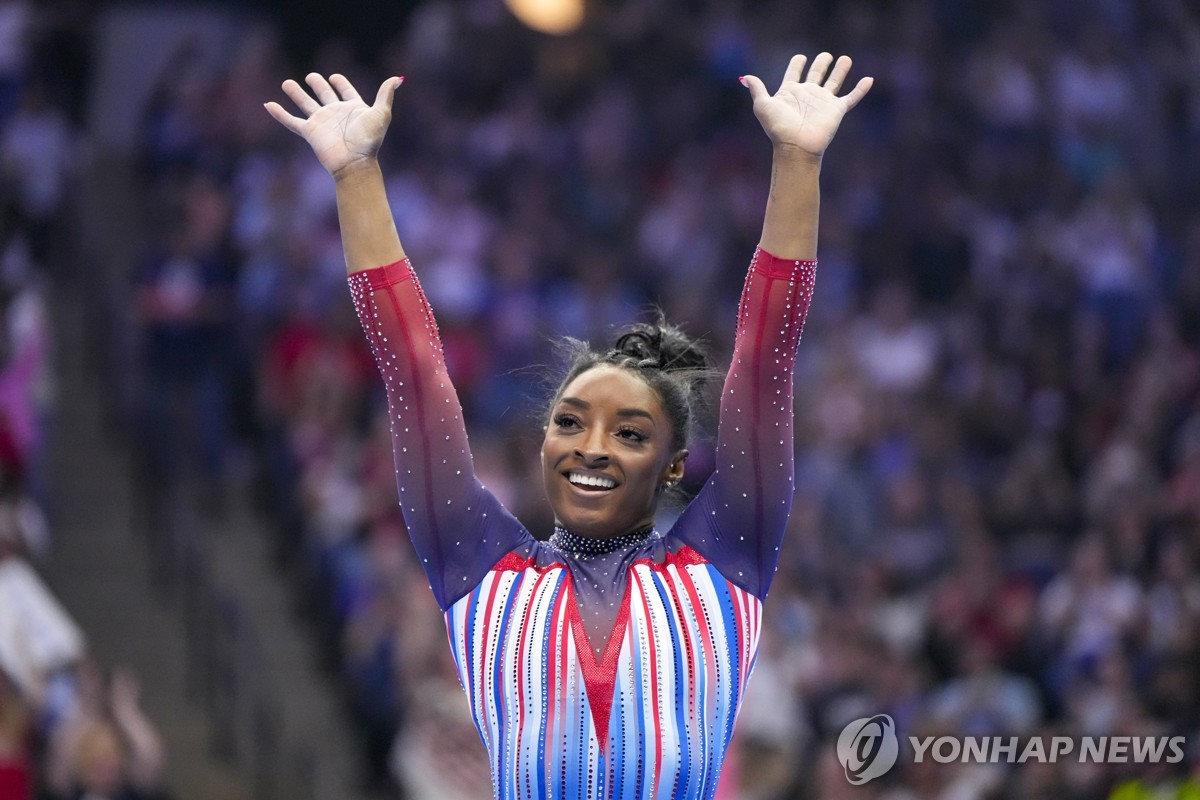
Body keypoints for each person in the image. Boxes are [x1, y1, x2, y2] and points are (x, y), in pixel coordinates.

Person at [267, 51, 871, 799]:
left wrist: (797, 162)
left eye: (630, 433)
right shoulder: (481, 571)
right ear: (544, 445)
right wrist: (356, 176)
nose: (592, 446)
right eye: (571, 422)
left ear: (675, 466)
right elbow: (414, 375)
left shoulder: (724, 560)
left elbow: (765, 360)